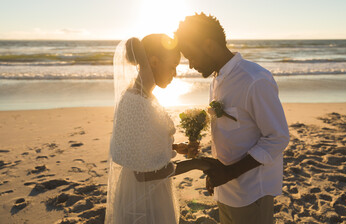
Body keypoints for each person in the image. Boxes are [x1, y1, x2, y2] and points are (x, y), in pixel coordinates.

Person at [175, 13, 290, 224]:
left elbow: (278, 137)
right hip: (226, 187)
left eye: (192, 55)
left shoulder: (254, 80)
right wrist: (218, 173)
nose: (190, 65)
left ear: (209, 45)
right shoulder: (217, 79)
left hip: (252, 191)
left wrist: (229, 172)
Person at [104, 34, 212, 224]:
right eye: (172, 67)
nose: (175, 74)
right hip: (144, 198)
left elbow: (142, 147)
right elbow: (144, 173)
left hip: (148, 191)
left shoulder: (142, 96)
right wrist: (199, 164)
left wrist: (176, 148)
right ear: (153, 62)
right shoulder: (138, 103)